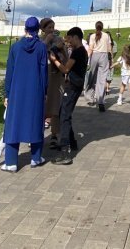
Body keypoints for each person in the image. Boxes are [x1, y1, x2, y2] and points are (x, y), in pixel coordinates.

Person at [1, 17, 48, 172]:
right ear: (38, 30)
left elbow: (10, 72)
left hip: (16, 90)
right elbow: (43, 72)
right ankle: (35, 158)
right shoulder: (41, 48)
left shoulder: (15, 47)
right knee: (35, 121)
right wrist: (44, 91)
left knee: (13, 123)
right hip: (35, 90)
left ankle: (11, 162)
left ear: (25, 29)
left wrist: (7, 93)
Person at [50, 27, 88, 165]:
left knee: (64, 116)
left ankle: (65, 152)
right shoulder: (82, 51)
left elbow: (65, 69)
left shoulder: (78, 52)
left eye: (69, 38)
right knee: (64, 113)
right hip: (76, 85)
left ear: (76, 37)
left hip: (72, 87)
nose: (68, 41)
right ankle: (72, 142)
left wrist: (54, 60)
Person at [40, 18, 68, 149]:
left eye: (53, 27)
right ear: (43, 29)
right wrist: (47, 42)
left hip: (56, 78)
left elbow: (66, 59)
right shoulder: (39, 42)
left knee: (56, 107)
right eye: (49, 28)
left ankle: (54, 135)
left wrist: (61, 49)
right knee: (41, 106)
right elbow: (38, 55)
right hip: (43, 78)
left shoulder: (58, 41)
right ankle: (37, 134)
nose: (51, 30)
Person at [88, 21, 113, 112]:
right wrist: (111, 59)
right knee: (102, 80)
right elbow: (109, 48)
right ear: (102, 27)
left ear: (95, 27)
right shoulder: (106, 35)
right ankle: (100, 101)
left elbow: (90, 48)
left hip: (94, 55)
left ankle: (90, 98)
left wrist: (87, 59)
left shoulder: (92, 36)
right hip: (104, 56)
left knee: (91, 77)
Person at [113, 44, 130, 109]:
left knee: (123, 86)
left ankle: (119, 100)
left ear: (124, 50)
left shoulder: (122, 57)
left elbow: (117, 63)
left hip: (125, 74)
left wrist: (110, 66)